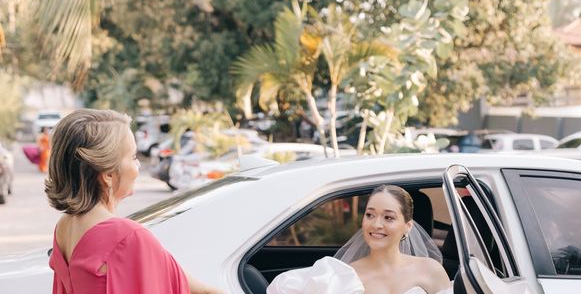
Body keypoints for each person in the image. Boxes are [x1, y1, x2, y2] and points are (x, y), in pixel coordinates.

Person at [44, 109, 223, 294]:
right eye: (133, 157)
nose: (138, 166)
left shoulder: (64, 227)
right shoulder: (127, 237)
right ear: (107, 174)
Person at [267, 184, 452, 294]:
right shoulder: (343, 275)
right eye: (370, 215)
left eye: (388, 217)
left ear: (407, 226)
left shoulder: (430, 270)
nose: (376, 224)